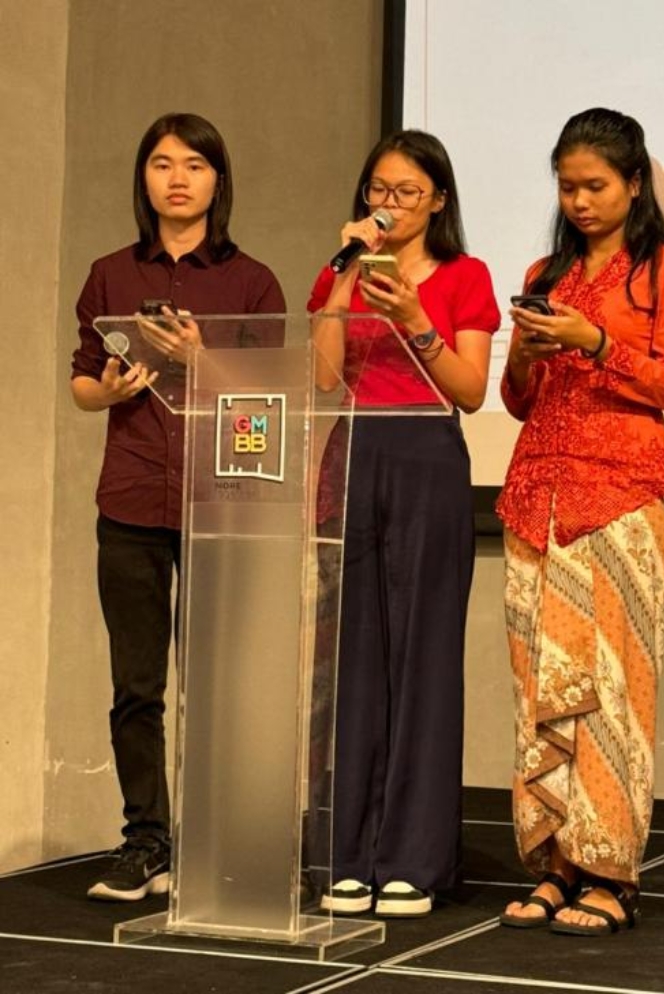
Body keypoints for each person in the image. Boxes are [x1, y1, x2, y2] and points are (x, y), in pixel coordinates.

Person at [496, 108, 664, 935]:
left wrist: (595, 341)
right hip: (533, 499)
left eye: (594, 186)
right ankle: (554, 862)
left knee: (611, 693)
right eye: (566, 185)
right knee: (542, 690)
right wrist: (526, 352)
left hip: (620, 498)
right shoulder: (546, 271)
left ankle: (609, 874)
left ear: (634, 183)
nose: (578, 201)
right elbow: (516, 402)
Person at [71, 113, 285, 901]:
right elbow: (83, 383)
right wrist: (113, 389)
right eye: (161, 164)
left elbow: (271, 402)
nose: (177, 178)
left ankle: (218, 841)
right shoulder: (110, 272)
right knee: (137, 687)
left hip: (220, 504)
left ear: (217, 181)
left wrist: (204, 360)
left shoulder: (252, 282)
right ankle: (145, 844)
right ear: (145, 179)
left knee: (220, 686)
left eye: (193, 164)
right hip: (129, 498)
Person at [308, 129, 500, 917]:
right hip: (353, 452)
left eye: (405, 193)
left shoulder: (465, 276)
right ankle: (348, 852)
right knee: (351, 658)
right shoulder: (339, 270)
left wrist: (416, 316)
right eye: (377, 192)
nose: (387, 207)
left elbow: (469, 388)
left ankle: (411, 858)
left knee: (421, 660)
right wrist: (345, 281)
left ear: (438, 201)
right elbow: (323, 376)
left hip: (425, 455)